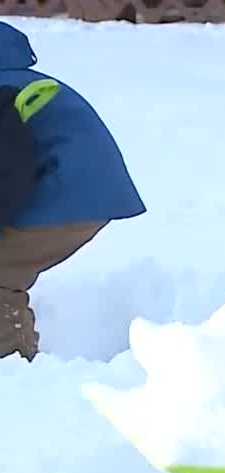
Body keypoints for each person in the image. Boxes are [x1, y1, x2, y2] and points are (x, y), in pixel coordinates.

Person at [0, 22, 145, 362]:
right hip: (77, 188)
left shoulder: (3, 88)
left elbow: (11, 165)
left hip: (65, 191)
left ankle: (11, 365)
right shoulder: (14, 80)